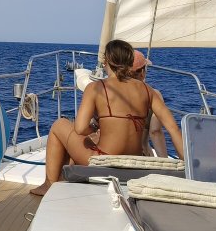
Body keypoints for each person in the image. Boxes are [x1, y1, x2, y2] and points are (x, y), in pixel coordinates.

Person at [30, 39, 184, 196]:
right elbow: (173, 129)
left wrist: (96, 130)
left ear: (106, 61)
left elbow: (80, 128)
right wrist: (188, 167)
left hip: (104, 162)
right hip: (134, 162)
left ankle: (49, 183)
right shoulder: (148, 90)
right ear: (129, 61)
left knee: (60, 125)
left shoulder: (96, 87)